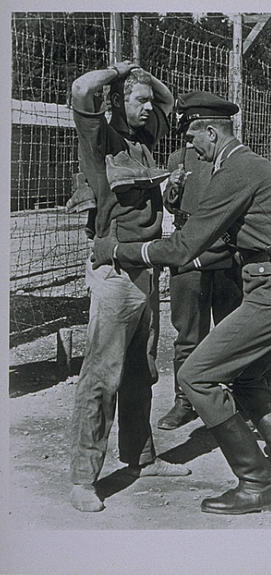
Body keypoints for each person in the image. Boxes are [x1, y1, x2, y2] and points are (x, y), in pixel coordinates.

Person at [92, 91, 271, 516]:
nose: (190, 148)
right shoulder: (241, 164)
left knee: (197, 376)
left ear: (211, 133)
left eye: (192, 138)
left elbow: (184, 246)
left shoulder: (235, 170)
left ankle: (257, 484)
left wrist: (120, 250)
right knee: (248, 378)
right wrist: (186, 256)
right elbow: (218, 246)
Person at [69, 60, 190, 513]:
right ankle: (84, 479)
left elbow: (168, 101)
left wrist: (142, 77)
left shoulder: (144, 140)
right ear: (117, 102)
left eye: (147, 102)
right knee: (102, 376)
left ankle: (140, 457)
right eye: (138, 101)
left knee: (141, 369)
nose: (148, 108)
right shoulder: (99, 140)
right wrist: (120, 71)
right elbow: (81, 89)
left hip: (145, 269)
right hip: (116, 274)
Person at [157, 145, 243, 430]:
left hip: (226, 253)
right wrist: (173, 187)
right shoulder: (179, 157)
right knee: (188, 333)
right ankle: (185, 400)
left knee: (232, 330)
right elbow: (171, 205)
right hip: (188, 251)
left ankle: (235, 395)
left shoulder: (234, 156)